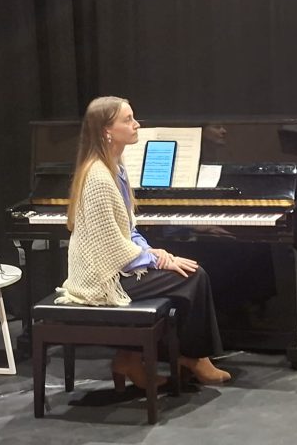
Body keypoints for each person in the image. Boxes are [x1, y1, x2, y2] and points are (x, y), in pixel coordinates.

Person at [56, 96, 231, 388]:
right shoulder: (98, 177)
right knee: (193, 276)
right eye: (128, 120)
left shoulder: (116, 167)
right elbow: (112, 247)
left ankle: (132, 358)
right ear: (106, 131)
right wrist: (156, 259)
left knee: (185, 271)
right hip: (100, 280)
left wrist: (153, 252)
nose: (137, 124)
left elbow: (127, 229)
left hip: (115, 267)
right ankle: (193, 358)